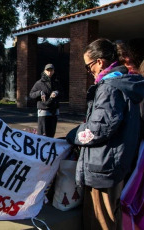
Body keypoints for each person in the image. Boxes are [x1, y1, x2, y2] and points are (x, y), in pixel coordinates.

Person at [66, 38, 144, 230]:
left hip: (103, 167)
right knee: (113, 218)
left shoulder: (109, 87)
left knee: (100, 221)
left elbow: (97, 130)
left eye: (88, 66)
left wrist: (74, 135)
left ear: (99, 62)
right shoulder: (126, 84)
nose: (89, 71)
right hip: (117, 164)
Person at [29, 63, 60, 137]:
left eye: (51, 70)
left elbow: (62, 93)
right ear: (44, 71)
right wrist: (40, 93)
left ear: (54, 71)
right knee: (42, 134)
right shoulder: (39, 83)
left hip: (54, 111)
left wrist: (57, 92)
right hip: (44, 111)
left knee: (51, 133)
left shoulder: (56, 82)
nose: (49, 72)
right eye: (48, 70)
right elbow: (31, 94)